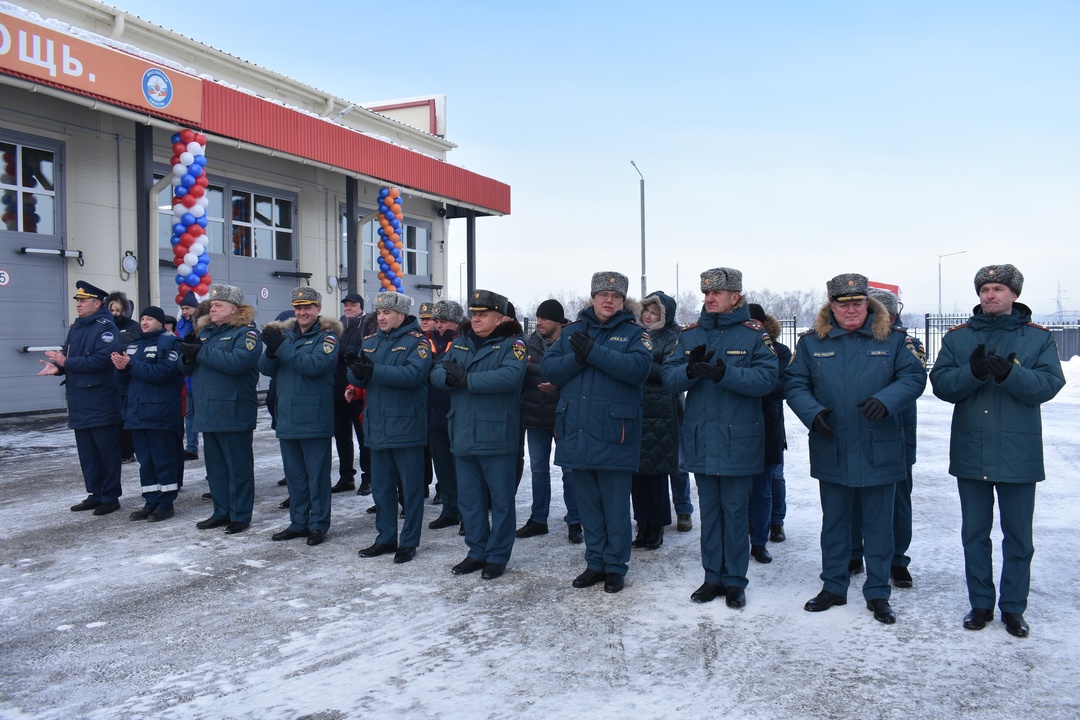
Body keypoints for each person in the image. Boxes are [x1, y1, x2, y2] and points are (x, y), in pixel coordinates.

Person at [929, 264, 1065, 637]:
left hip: (1018, 453)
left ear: (1014, 295)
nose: (990, 295)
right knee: (975, 533)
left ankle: (1013, 607)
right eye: (985, 289)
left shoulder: (1037, 338)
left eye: (998, 289)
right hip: (971, 450)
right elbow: (941, 384)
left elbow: (1051, 384)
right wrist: (970, 373)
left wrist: (1011, 374)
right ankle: (981, 604)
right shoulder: (958, 339)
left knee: (1018, 535)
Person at [785, 273, 926, 624]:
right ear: (831, 306)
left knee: (879, 526)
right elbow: (794, 382)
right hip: (832, 442)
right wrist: (812, 414)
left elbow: (914, 377)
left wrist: (887, 400)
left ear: (868, 304)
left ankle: (878, 593)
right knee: (834, 523)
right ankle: (833, 586)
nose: (850, 310)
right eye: (842, 304)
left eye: (857, 303)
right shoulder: (812, 343)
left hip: (879, 445)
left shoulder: (893, 341)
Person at [662, 269, 778, 609]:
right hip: (702, 438)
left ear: (735, 297)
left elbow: (767, 380)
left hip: (738, 440)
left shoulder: (754, 335)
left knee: (735, 511)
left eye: (718, 293)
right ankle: (712, 577)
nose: (710, 298)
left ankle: (735, 581)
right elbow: (669, 379)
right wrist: (690, 371)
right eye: (707, 294)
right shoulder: (689, 334)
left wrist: (726, 373)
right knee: (710, 513)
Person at [542, 271, 651, 594]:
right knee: (588, 505)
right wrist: (579, 356)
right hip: (576, 430)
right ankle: (595, 562)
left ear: (622, 301)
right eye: (603, 295)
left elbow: (637, 370)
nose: (609, 300)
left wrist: (593, 353)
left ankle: (616, 566)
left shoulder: (634, 333)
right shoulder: (572, 331)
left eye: (616, 297)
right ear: (592, 298)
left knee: (615, 508)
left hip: (613, 433)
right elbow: (549, 369)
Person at [432, 290, 527, 580]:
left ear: (499, 318)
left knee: (500, 502)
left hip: (497, 436)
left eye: (483, 314)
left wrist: (466, 379)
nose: (476, 319)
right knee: (469, 501)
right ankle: (476, 551)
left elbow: (509, 377)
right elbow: (436, 373)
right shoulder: (459, 343)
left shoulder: (513, 345)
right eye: (473, 314)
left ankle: (497, 556)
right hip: (462, 432)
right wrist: (449, 377)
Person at [850, 288, 925, 586]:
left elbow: (913, 378)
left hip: (895, 430)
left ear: (892, 314)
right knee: (853, 497)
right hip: (855, 429)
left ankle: (896, 560)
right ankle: (854, 554)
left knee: (897, 500)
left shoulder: (906, 343)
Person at [349, 291, 431, 564]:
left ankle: (408, 542)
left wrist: (373, 371)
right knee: (382, 488)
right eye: (379, 313)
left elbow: (413, 375)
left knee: (411, 489)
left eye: (386, 313)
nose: (381, 317)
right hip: (378, 426)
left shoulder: (417, 343)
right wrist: (356, 372)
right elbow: (360, 376)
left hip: (406, 426)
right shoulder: (370, 341)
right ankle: (385, 538)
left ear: (401, 315)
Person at [179, 283, 263, 535]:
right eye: (212, 305)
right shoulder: (205, 333)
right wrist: (187, 356)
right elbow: (187, 369)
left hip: (234, 410)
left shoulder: (246, 334)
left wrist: (201, 353)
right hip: (208, 409)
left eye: (218, 305)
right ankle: (221, 511)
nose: (212, 308)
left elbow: (238, 363)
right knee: (215, 467)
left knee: (238, 467)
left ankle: (240, 514)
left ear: (233, 309)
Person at [261, 287, 341, 546]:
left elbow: (314, 366)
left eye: (307, 307)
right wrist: (272, 351)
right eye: (298, 308)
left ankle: (318, 524)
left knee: (317, 477)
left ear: (318, 309)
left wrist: (282, 348)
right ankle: (298, 523)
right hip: (288, 417)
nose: (302, 312)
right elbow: (265, 369)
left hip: (314, 417)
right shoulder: (288, 336)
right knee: (294, 476)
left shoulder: (327, 338)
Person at [39, 280, 123, 515]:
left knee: (106, 451)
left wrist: (68, 363)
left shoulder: (106, 327)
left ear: (97, 304)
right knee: (87, 452)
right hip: (79, 400)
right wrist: (58, 367)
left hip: (100, 399)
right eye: (77, 300)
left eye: (83, 301)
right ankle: (95, 494)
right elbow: (68, 356)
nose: (78, 304)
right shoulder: (77, 327)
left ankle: (110, 497)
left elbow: (103, 360)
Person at [516, 299, 582, 544]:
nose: (540, 322)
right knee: (538, 470)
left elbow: (578, 376)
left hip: (563, 416)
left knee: (569, 470)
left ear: (559, 322)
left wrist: (557, 385)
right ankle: (538, 519)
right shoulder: (528, 344)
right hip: (534, 417)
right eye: (539, 317)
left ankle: (575, 520)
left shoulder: (571, 342)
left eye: (545, 319)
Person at [111, 306, 185, 522]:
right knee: (146, 461)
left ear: (161, 323)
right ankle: (150, 500)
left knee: (163, 459)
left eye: (150, 319)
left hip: (161, 413)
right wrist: (120, 369)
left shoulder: (172, 344)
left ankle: (165, 503)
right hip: (137, 413)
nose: (144, 322)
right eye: (142, 318)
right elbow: (125, 381)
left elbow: (162, 373)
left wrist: (130, 365)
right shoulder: (133, 345)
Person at [631, 291, 681, 551]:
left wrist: (640, 365)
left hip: (660, 411)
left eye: (655, 312)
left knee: (657, 473)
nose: (649, 316)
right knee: (637, 475)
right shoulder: (635, 335)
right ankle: (642, 524)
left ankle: (657, 526)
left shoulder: (672, 339)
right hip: (636, 409)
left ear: (665, 316)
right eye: (646, 311)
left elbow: (669, 373)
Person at [746, 303, 792, 563]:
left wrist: (742, 384)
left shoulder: (780, 351)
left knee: (768, 484)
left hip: (768, 426)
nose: (751, 327)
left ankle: (764, 535)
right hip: (738, 425)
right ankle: (746, 531)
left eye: (755, 323)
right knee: (740, 491)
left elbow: (780, 386)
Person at [427, 300, 466, 531]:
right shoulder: (428, 342)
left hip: (455, 413)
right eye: (437, 321)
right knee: (442, 467)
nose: (440, 325)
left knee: (460, 468)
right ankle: (449, 510)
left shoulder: (462, 343)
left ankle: (465, 513)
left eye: (445, 321)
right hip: (433, 413)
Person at [331, 293, 371, 495]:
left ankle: (368, 478)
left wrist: (340, 350)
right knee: (341, 437)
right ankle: (346, 477)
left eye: (352, 304)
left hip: (357, 390)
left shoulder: (367, 324)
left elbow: (363, 352)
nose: (348, 307)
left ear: (360, 306)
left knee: (364, 438)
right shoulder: (338, 325)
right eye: (346, 304)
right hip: (338, 389)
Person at [107, 290, 141, 464]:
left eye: (117, 310)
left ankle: (127, 450)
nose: (114, 314)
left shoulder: (134, 327)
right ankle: (116, 448)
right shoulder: (104, 326)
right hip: (108, 380)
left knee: (125, 418)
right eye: (111, 310)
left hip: (125, 379)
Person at [176, 291, 201, 461]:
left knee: (202, 415)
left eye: (187, 308)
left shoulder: (200, 325)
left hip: (198, 376)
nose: (185, 311)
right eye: (182, 308)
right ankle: (191, 447)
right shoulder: (180, 325)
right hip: (186, 377)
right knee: (190, 414)